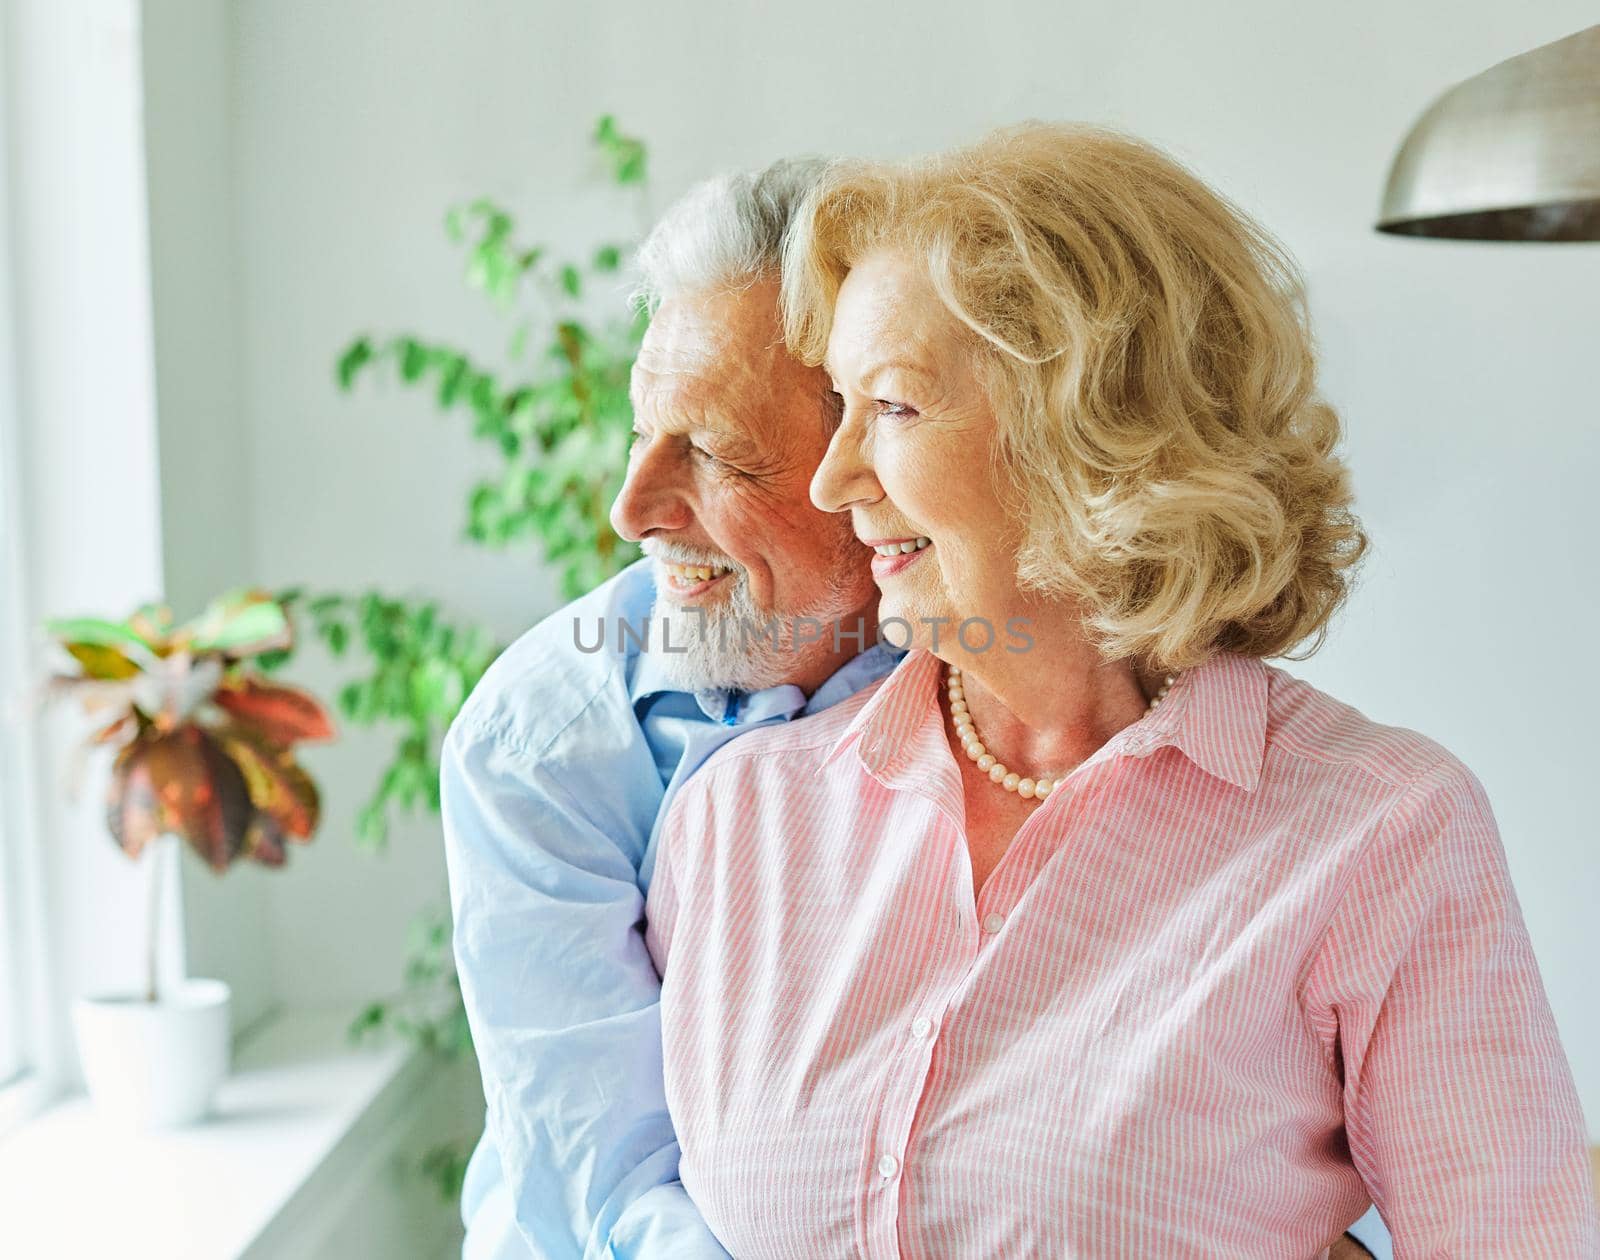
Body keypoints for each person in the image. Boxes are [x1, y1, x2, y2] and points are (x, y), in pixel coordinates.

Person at [642, 123, 1598, 1257]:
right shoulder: (739, 821)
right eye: (837, 407)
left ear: (1091, 429)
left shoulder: (1381, 833)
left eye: (892, 408)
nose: (834, 475)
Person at [441, 160, 894, 1259]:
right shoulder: (541, 742)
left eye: (715, 454)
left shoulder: (997, 678)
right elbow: (609, 1186)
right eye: (645, 432)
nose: (629, 508)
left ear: (882, 460)